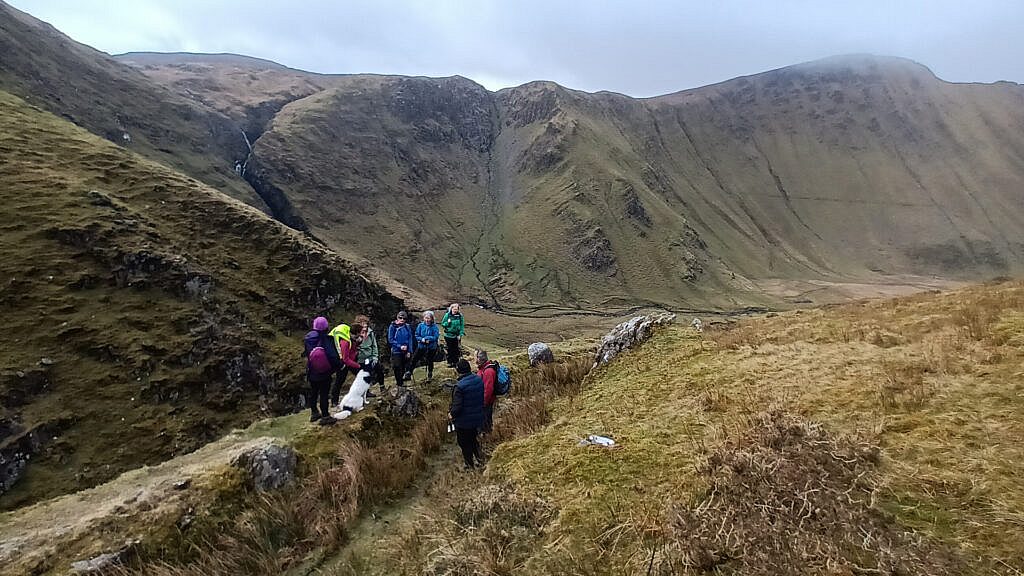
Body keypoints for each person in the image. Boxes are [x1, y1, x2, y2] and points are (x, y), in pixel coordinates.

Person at [303, 316, 342, 423]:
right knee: (324, 393)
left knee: (314, 392)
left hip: (312, 371)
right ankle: (325, 416)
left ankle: (314, 413)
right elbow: (332, 355)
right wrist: (338, 366)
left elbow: (307, 354)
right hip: (324, 372)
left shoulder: (308, 339)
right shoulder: (326, 339)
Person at [449, 359, 484, 469]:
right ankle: (479, 459)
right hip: (477, 418)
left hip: (464, 422)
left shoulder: (459, 386)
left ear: (459, 371)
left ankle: (469, 465)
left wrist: (451, 414)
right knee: (473, 439)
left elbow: (457, 407)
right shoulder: (478, 380)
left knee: (464, 443)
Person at [328, 323, 363, 408]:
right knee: (340, 380)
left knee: (361, 375)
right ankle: (334, 401)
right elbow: (345, 359)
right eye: (358, 334)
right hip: (342, 362)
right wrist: (357, 365)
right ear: (355, 334)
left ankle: (365, 393)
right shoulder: (345, 342)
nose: (360, 336)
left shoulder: (352, 337)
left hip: (349, 359)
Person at [354, 314, 384, 395]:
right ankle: (366, 392)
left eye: (365, 324)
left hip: (370, 357)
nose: (365, 327)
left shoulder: (370, 333)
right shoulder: (355, 334)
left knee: (379, 370)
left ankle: (382, 387)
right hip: (360, 359)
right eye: (362, 325)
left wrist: (375, 357)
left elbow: (374, 346)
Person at [387, 311, 415, 388]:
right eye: (400, 318)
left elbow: (410, 339)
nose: (402, 319)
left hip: (406, 351)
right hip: (396, 350)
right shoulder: (392, 326)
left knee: (403, 367)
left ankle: (401, 382)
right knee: (397, 366)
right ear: (397, 317)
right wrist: (399, 346)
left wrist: (409, 351)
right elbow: (390, 339)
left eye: (404, 318)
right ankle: (399, 383)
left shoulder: (407, 326)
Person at [410, 310, 440, 381]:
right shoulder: (420, 325)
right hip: (421, 346)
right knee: (414, 359)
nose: (427, 320)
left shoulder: (434, 326)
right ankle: (409, 372)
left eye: (428, 318)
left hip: (431, 347)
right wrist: (422, 339)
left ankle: (430, 374)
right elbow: (416, 335)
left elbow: (436, 336)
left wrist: (427, 338)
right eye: (425, 318)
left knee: (430, 360)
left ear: (432, 319)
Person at [476, 349, 498, 434]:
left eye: (475, 357)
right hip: (483, 401)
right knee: (485, 420)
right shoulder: (483, 368)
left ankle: (487, 439)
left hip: (486, 402)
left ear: (479, 359)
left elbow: (488, 390)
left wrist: (483, 403)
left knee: (485, 422)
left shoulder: (488, 371)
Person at [441, 303, 465, 368]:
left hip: (456, 336)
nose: (455, 310)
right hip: (448, 335)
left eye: (456, 309)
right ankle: (450, 362)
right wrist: (448, 323)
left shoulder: (460, 316)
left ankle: (456, 362)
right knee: (449, 349)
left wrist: (460, 334)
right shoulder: (447, 315)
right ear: (451, 309)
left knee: (456, 349)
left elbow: (462, 326)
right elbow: (443, 324)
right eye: (454, 309)